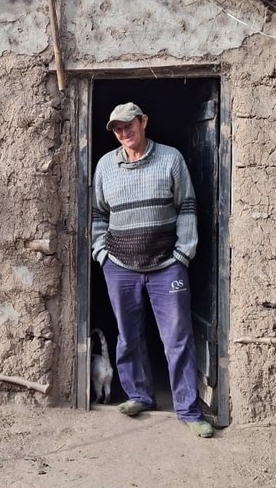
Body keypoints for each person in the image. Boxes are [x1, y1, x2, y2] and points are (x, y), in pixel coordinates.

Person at [91, 102, 214, 438]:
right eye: (117, 129)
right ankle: (139, 395)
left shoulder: (171, 159)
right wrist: (101, 253)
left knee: (177, 338)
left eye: (128, 125)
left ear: (143, 121)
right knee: (128, 335)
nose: (123, 132)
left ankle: (188, 410)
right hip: (119, 265)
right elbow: (98, 214)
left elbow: (187, 206)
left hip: (167, 266)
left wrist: (183, 254)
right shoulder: (105, 166)